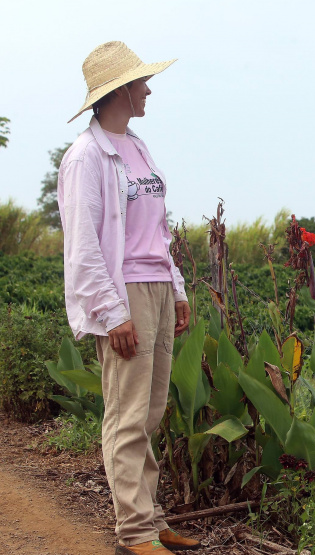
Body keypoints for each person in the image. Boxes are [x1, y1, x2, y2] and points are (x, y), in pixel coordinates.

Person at [58, 41, 200, 555]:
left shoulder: (136, 146)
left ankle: (150, 517)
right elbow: (83, 244)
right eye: (141, 81)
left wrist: (177, 288)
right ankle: (134, 533)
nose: (149, 89)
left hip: (157, 288)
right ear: (119, 90)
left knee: (152, 411)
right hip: (124, 295)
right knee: (126, 412)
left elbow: (156, 230)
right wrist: (111, 311)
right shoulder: (86, 157)